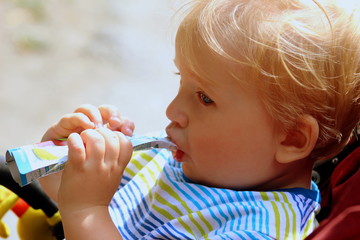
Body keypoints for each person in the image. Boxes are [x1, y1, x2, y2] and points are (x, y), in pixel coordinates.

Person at [39, 0, 360, 239]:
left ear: (291, 138)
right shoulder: (182, 161)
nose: (172, 111)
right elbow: (60, 191)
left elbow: (79, 205)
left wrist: (87, 211)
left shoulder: (261, 229)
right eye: (182, 82)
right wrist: (68, 154)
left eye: (205, 97)